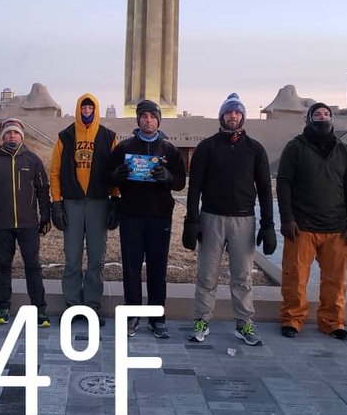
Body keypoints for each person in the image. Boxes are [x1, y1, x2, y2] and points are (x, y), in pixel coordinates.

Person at [183, 93, 276, 352]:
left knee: (242, 276)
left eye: (237, 112)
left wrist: (268, 224)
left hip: (243, 219)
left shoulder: (255, 149)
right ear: (222, 116)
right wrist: (192, 220)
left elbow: (265, 188)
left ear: (242, 116)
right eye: (228, 112)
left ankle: (244, 322)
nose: (233, 116)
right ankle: (201, 320)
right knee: (207, 274)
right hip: (212, 217)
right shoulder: (207, 147)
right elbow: (195, 188)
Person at [277, 102, 347, 340]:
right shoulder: (295, 147)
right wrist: (287, 218)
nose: (322, 118)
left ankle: (332, 321)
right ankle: (292, 319)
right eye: (317, 114)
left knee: (336, 281)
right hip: (301, 227)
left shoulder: (343, 150)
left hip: (336, 228)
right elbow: (284, 183)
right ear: (308, 119)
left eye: (326, 114)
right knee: (295, 278)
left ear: (332, 119)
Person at [108, 99, 186, 339]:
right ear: (138, 120)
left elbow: (181, 183)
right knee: (131, 269)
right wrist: (116, 176)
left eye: (152, 116)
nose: (148, 120)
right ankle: (132, 317)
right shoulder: (124, 147)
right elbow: (109, 178)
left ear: (158, 120)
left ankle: (156, 318)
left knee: (157, 268)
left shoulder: (169, 150)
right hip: (131, 215)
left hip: (159, 216)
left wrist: (168, 177)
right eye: (144, 116)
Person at [49, 92, 119, 324]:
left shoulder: (108, 137)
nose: (87, 112)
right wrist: (56, 202)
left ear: (96, 110)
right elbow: (55, 171)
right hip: (72, 203)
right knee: (72, 257)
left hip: (99, 203)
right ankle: (72, 305)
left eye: (90, 108)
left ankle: (91, 305)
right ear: (79, 109)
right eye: (84, 108)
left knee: (96, 258)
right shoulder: (66, 136)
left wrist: (115, 200)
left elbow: (117, 172)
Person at [0, 118, 51, 327]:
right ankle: (3, 307)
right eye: (8, 133)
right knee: (2, 266)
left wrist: (45, 217)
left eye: (16, 133)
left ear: (21, 136)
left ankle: (40, 309)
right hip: (1, 225)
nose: (12, 136)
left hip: (28, 224)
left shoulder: (32, 160)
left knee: (33, 266)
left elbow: (43, 190)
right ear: (3, 137)